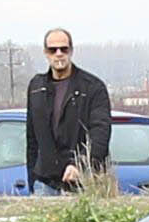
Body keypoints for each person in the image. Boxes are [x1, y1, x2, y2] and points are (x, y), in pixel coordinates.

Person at [21, 29, 112, 194]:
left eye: (64, 49)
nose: (59, 54)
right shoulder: (36, 88)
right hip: (45, 183)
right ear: (45, 53)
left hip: (83, 183)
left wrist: (81, 164)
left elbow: (100, 133)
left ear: (71, 51)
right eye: (53, 50)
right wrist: (32, 180)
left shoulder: (92, 87)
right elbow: (32, 138)